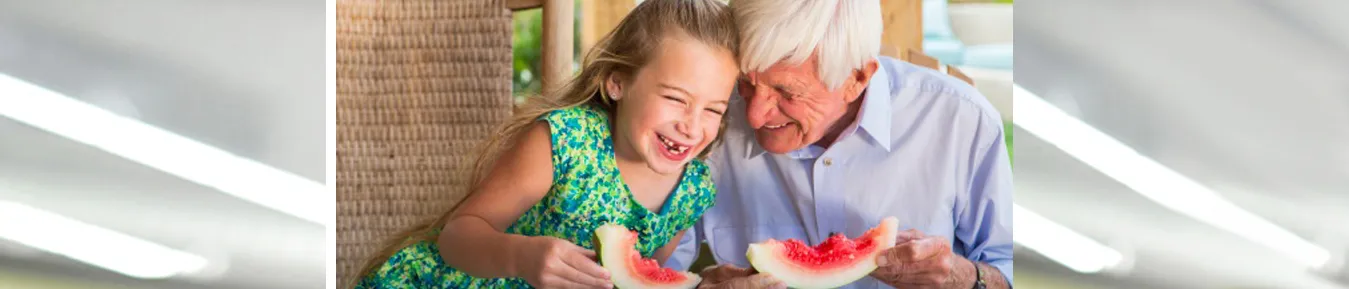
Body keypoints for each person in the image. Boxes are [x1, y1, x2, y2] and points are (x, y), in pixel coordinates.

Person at [349, 0, 740, 287]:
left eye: (713, 109)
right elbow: (457, 237)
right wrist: (521, 256)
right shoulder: (564, 140)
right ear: (617, 82)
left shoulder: (693, 190)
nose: (691, 126)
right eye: (675, 98)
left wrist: (701, 283)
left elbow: (633, 279)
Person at [664, 0, 1014, 288]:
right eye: (747, 83)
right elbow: (657, 268)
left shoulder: (962, 122)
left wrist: (964, 276)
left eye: (787, 92)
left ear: (857, 78)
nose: (754, 116)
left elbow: (1007, 267)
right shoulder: (708, 119)